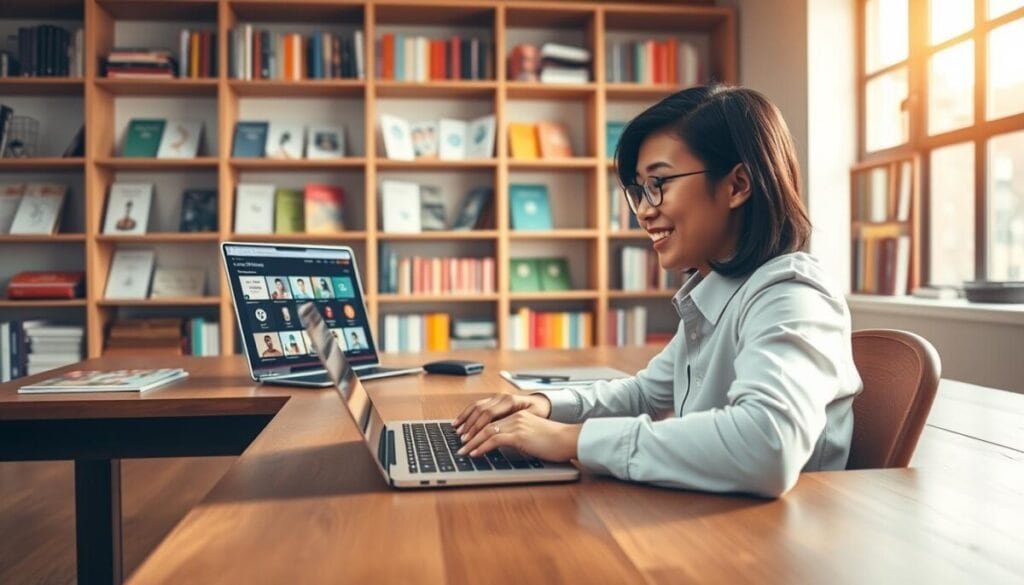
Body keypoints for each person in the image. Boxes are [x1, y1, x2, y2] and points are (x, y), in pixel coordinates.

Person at [454, 85, 863, 498]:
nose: (645, 211)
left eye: (659, 183)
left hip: (771, 547)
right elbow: (646, 393)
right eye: (639, 191)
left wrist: (571, 439)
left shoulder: (791, 293)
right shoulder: (716, 289)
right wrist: (542, 406)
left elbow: (767, 445)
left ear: (737, 185)